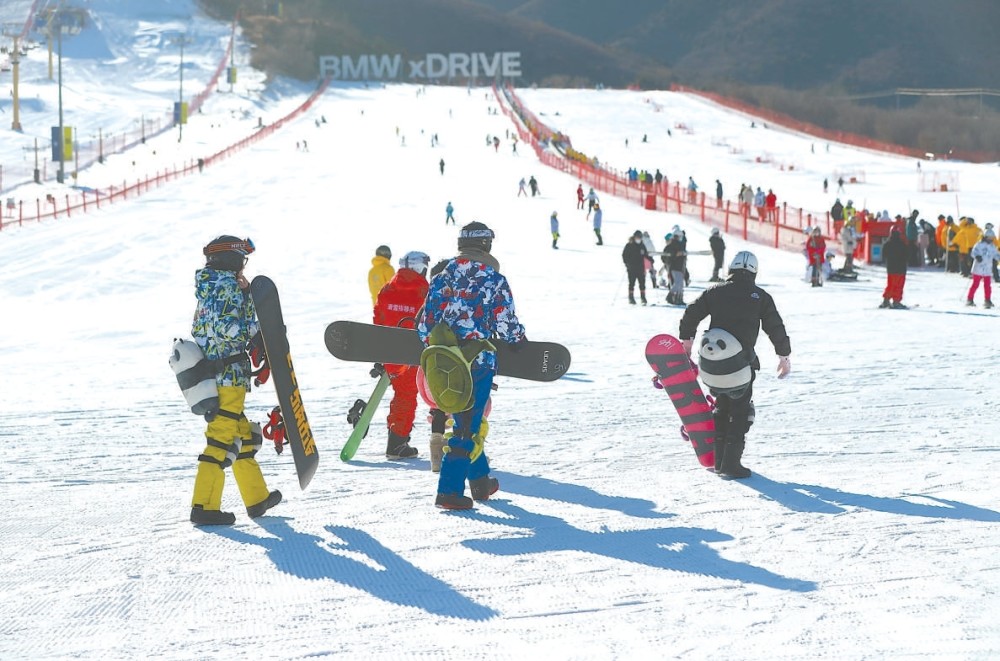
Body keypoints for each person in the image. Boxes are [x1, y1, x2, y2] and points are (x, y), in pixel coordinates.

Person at [417, 222, 526, 509]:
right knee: (466, 426)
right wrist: (518, 340)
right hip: (477, 363)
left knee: (467, 420)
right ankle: (449, 491)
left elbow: (424, 325)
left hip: (443, 362)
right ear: (486, 245)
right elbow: (506, 325)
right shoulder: (493, 279)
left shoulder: (442, 276)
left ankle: (480, 483)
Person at [189, 235, 281, 525]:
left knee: (243, 438)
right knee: (220, 441)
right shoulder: (225, 287)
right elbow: (232, 330)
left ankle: (256, 498)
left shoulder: (210, 287)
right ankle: (204, 506)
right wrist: (259, 326)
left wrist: (245, 300)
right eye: (241, 258)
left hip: (221, 373)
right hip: (227, 376)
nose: (243, 264)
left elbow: (207, 327)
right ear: (231, 258)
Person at [678, 251, 791, 478]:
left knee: (721, 408)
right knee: (739, 413)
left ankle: (719, 461)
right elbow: (775, 327)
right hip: (740, 367)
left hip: (713, 367)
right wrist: (783, 356)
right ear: (754, 272)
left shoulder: (715, 292)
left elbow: (691, 312)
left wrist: (687, 340)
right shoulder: (760, 297)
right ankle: (731, 464)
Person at [374, 250, 431, 459]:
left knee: (402, 395)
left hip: (391, 352)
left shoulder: (387, 288)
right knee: (410, 396)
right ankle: (397, 442)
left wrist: (380, 352)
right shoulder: (425, 290)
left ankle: (397, 438)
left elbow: (378, 317)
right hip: (416, 352)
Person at [967, 229, 999, 307]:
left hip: (987, 268)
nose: (991, 239)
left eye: (992, 237)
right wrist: (977, 256)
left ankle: (987, 300)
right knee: (975, 284)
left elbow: (996, 255)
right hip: (978, 268)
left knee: (987, 285)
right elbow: (973, 252)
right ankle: (969, 299)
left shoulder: (992, 246)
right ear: (986, 237)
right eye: (990, 237)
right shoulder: (979, 244)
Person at [880, 228, 908, 308]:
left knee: (890, 284)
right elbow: (907, 255)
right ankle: (896, 301)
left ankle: (886, 300)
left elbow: (884, 254)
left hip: (891, 268)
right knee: (899, 285)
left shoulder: (887, 244)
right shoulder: (902, 244)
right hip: (901, 269)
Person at [622, 230, 649, 305]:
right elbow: (624, 255)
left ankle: (643, 298)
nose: (638, 239)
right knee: (631, 283)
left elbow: (645, 255)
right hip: (631, 268)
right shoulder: (629, 245)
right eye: (637, 237)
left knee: (642, 283)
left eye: (640, 237)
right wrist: (627, 263)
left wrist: (650, 260)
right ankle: (631, 298)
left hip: (641, 268)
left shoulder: (642, 245)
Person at [662, 233, 687, 305]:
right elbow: (666, 257)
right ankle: (670, 296)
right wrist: (675, 255)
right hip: (674, 267)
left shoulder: (680, 245)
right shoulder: (671, 246)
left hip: (680, 267)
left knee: (680, 284)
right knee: (677, 283)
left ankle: (679, 299)